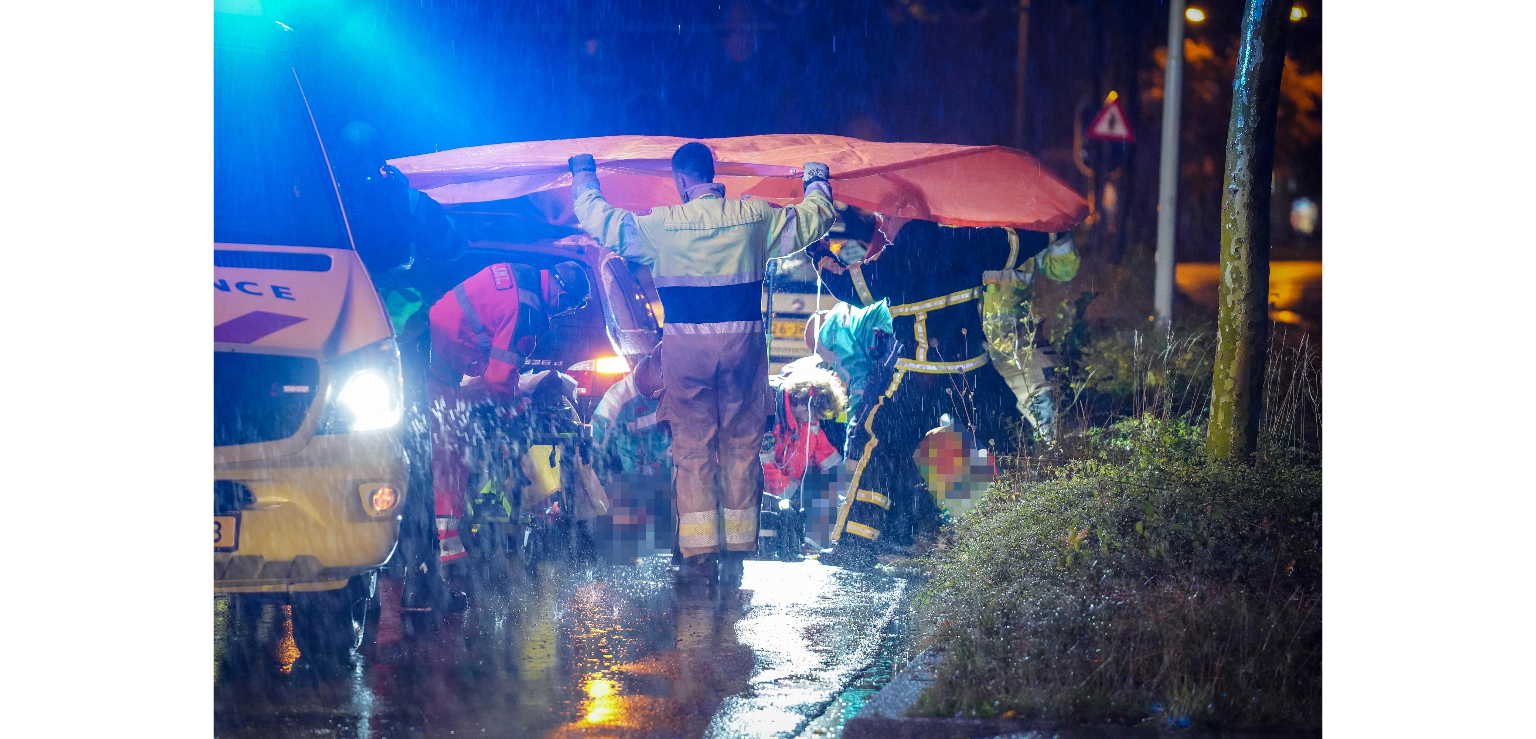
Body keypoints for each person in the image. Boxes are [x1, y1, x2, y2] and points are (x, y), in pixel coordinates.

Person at [568, 142, 836, 587]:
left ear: (680, 179)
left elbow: (602, 222)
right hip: (743, 350)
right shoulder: (754, 217)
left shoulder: (662, 226)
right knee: (741, 447)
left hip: (686, 353)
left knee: (692, 451)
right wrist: (816, 177)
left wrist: (583, 174)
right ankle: (738, 549)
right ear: (713, 174)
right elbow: (814, 219)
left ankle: (698, 554)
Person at [808, 217, 1051, 569]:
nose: (881, 225)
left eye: (886, 216)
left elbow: (849, 287)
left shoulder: (896, 259)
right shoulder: (968, 242)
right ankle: (1040, 533)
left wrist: (819, 253)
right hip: (972, 374)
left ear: (908, 210)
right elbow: (1019, 242)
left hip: (917, 378)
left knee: (878, 448)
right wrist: (1055, 227)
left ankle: (857, 547)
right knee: (1010, 441)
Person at [428, 260, 591, 576]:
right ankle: (447, 549)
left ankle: (445, 539)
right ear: (561, 293)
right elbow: (499, 379)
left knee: (445, 446)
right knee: (452, 453)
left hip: (434, 344)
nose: (565, 312)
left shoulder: (521, 272)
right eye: (569, 306)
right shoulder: (528, 312)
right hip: (443, 365)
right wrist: (510, 410)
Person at [981, 232, 1079, 443]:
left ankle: (1059, 456)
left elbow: (1063, 269)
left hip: (1018, 349)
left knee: (1051, 428)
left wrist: (1057, 230)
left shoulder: (1024, 229)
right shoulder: (957, 224)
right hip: (972, 349)